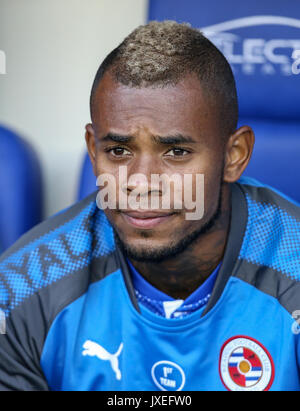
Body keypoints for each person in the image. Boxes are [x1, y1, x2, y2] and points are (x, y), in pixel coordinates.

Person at [0, 21, 299, 392]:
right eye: (119, 151)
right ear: (93, 151)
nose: (140, 182)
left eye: (176, 152)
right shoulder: (19, 291)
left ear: (234, 156)